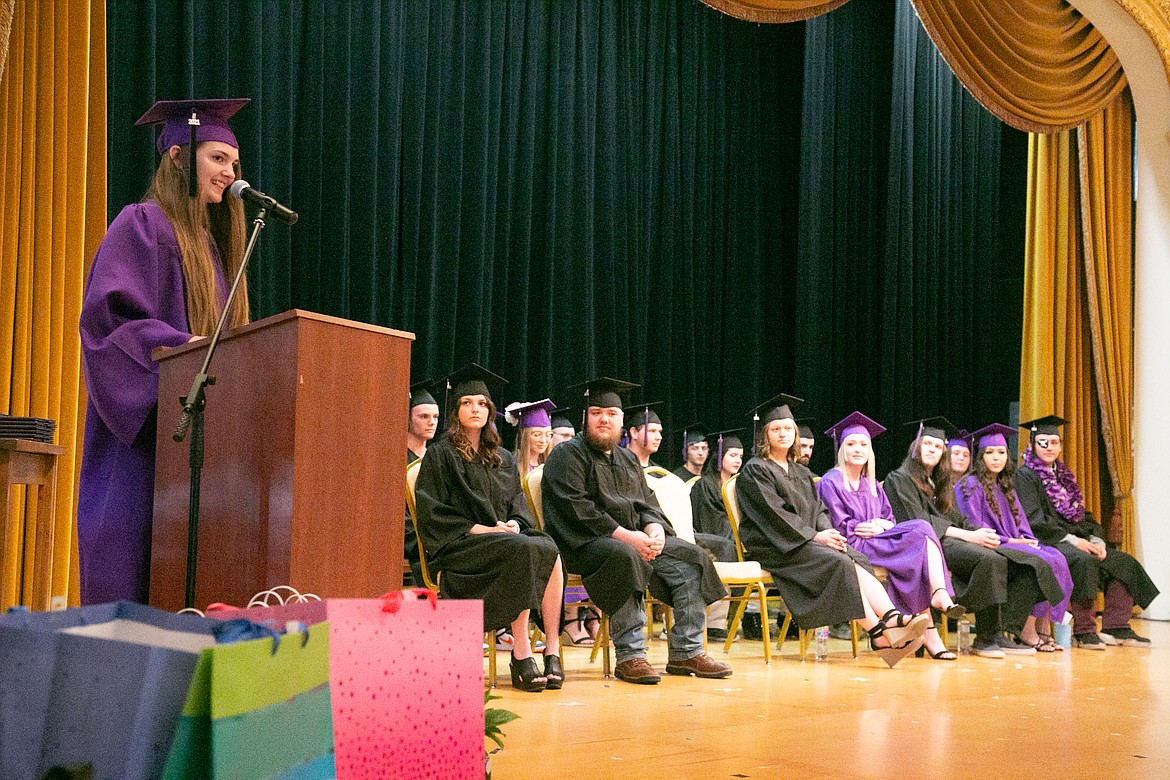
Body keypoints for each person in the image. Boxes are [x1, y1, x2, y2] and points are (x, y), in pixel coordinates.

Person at [78, 98, 252, 604]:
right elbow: (107, 325)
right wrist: (181, 349)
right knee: (134, 578)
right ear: (178, 155)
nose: (229, 173)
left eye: (234, 164)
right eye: (218, 158)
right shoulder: (142, 225)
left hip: (196, 451)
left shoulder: (212, 250)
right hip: (142, 443)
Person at [542, 377, 731, 684]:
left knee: (692, 557)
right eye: (597, 413)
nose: (604, 419)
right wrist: (628, 536)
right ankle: (630, 655)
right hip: (583, 545)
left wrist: (654, 529)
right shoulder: (566, 455)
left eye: (612, 414)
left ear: (620, 422)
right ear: (585, 417)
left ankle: (687, 651)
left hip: (634, 539)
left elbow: (646, 503)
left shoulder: (628, 459)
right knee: (623, 555)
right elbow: (577, 509)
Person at [735, 395, 928, 667]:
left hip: (805, 542)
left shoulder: (800, 472)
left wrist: (829, 534)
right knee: (838, 562)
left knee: (851, 556)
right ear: (765, 434)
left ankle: (891, 618)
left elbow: (819, 511)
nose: (783, 433)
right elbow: (773, 514)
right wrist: (814, 536)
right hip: (775, 545)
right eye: (775, 428)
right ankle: (878, 633)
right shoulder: (756, 470)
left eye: (788, 428)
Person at [415, 365, 565, 691]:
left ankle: (553, 647)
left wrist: (515, 523)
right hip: (461, 548)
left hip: (503, 541)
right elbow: (433, 513)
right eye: (467, 402)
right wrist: (483, 530)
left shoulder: (501, 459)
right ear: (456, 410)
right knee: (524, 548)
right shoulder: (441, 455)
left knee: (547, 546)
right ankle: (521, 652)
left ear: (490, 411)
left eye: (482, 403)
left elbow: (518, 506)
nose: (475, 409)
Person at [885, 418, 1047, 658]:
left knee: (1017, 562)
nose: (932, 449)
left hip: (950, 541)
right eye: (927, 444)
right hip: (924, 545)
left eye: (938, 447)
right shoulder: (899, 479)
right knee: (990, 560)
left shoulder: (938, 482)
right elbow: (918, 524)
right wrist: (969, 536)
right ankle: (985, 637)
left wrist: (982, 534)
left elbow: (958, 517)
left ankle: (996, 630)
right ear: (916, 447)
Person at [816, 412, 965, 660]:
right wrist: (871, 527)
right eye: (851, 444)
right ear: (841, 449)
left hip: (877, 541)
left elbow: (891, 520)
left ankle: (932, 615)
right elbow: (838, 526)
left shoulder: (872, 484)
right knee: (920, 532)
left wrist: (881, 527)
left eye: (863, 444)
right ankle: (934, 613)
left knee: (920, 540)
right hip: (854, 545)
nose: (857, 449)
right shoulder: (831, 482)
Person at [1014, 415, 1159, 649]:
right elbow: (1034, 520)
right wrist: (1074, 541)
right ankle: (1084, 631)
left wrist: (1096, 539)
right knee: (1083, 561)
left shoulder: (1063, 476)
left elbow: (1084, 516)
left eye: (1054, 442)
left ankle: (1116, 627)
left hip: (1078, 540)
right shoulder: (1025, 476)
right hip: (1048, 541)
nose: (1050, 447)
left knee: (1123, 562)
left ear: (1060, 445)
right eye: (1043, 442)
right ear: (1031, 445)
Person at [953, 423, 1075, 652]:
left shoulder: (1004, 485)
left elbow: (1021, 523)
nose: (996, 458)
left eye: (1001, 453)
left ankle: (1042, 627)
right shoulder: (969, 485)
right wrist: (1013, 541)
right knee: (1041, 562)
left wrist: (1027, 539)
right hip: (991, 544)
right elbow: (976, 527)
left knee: (1055, 556)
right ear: (981, 457)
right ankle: (1027, 630)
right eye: (989, 453)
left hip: (1011, 542)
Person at [689, 429, 746, 640]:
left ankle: (739, 619)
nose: (738, 460)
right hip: (706, 537)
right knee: (727, 548)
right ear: (720, 455)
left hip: (732, 539)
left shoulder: (740, 485)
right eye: (732, 455)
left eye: (740, 456)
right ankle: (715, 623)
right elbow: (710, 521)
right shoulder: (704, 485)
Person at [404, 380, 440, 586]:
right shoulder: (397, 458)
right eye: (423, 416)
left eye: (435, 417)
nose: (431, 422)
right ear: (408, 419)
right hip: (409, 532)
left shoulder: (438, 458)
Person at [506, 399, 556, 476]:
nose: (543, 440)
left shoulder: (552, 466)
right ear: (524, 436)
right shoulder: (512, 466)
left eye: (548, 434)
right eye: (537, 435)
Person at [624, 402, 664, 469]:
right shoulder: (618, 467)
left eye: (659, 432)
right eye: (652, 431)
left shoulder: (659, 473)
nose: (659, 437)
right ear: (634, 433)